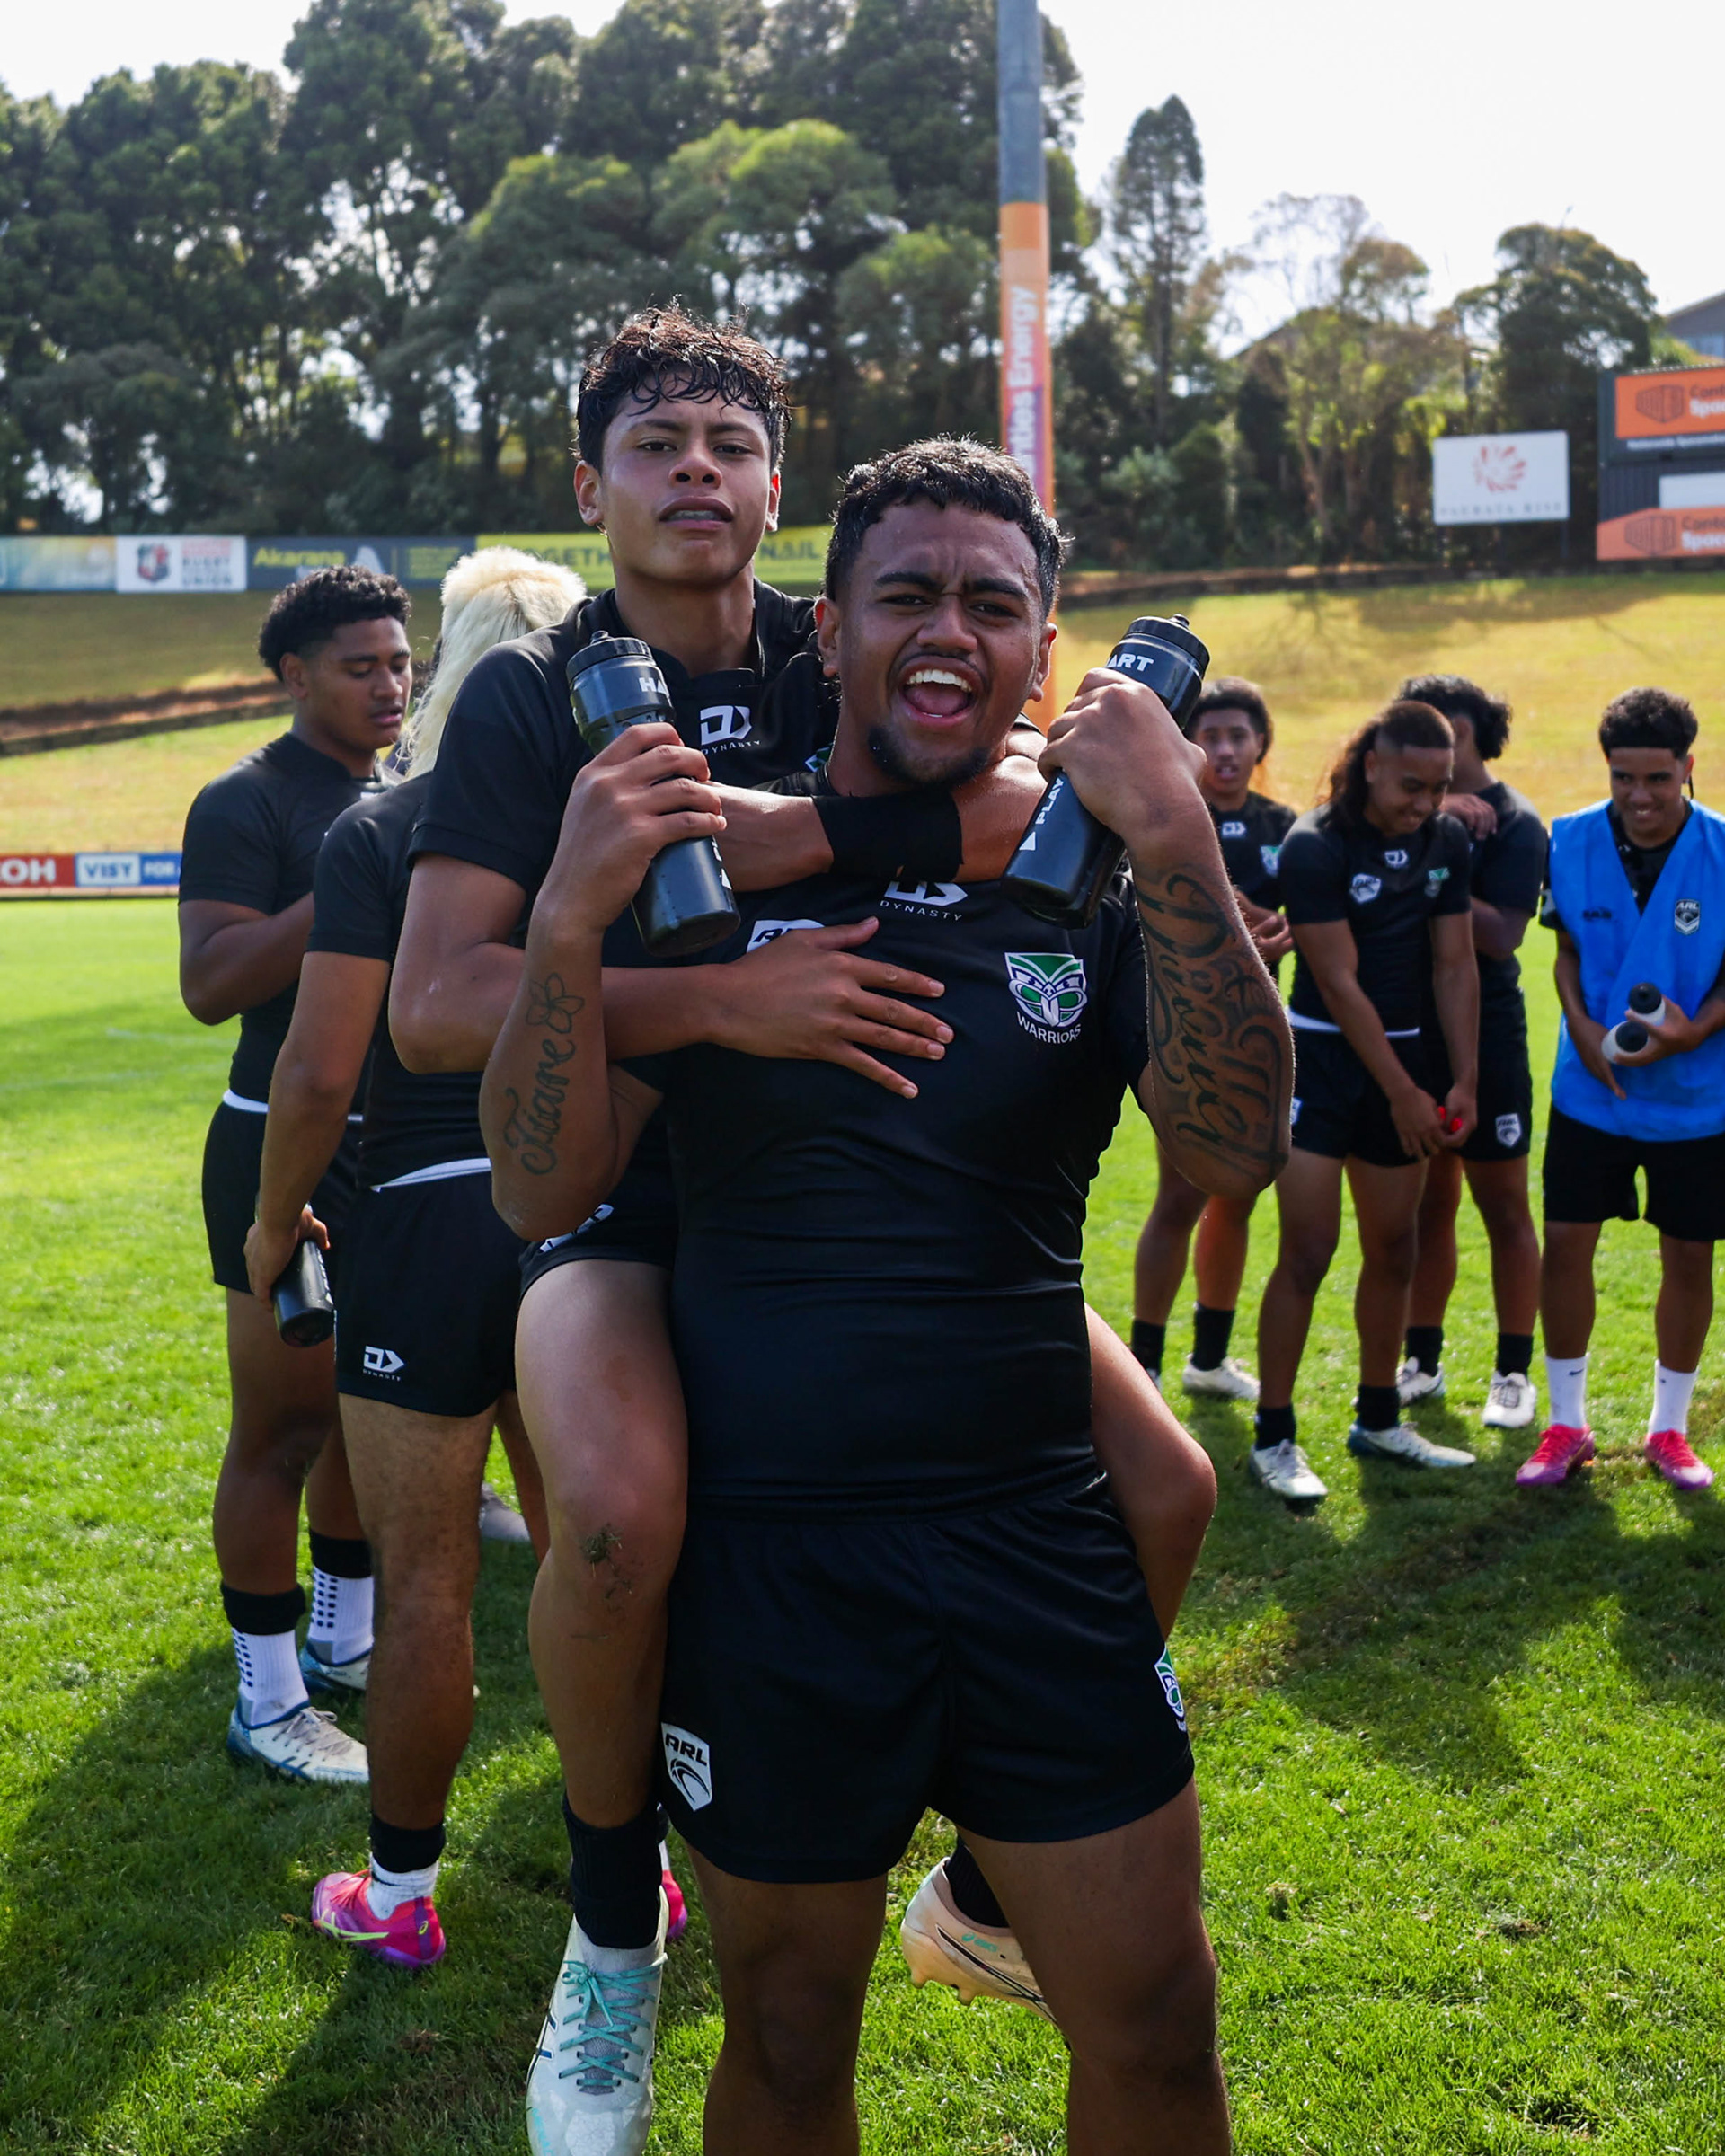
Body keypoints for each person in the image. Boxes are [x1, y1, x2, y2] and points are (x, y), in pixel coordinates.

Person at [394, 316, 1217, 2130]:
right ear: (590, 483)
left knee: (1167, 1484)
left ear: (781, 491)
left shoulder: (845, 629)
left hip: (844, 1164)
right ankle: (616, 1916)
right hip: (641, 1171)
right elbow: (441, 1005)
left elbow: (999, 803)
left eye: (731, 444)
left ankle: (989, 1882)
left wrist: (798, 835)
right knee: (617, 1517)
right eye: (654, 442)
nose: (696, 470)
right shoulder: (548, 688)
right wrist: (711, 993)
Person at [243, 549, 571, 1966]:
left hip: (427, 1219)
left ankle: (400, 1890)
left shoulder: (388, 825)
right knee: (598, 1565)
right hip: (591, 1218)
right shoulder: (629, 815)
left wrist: (273, 1226)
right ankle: (630, 1875)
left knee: (427, 1581)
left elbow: (319, 1073)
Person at [179, 565, 411, 1785]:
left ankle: (345, 1640)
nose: (389, 684)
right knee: (282, 1430)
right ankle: (266, 1705)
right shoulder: (246, 799)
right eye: (360, 666)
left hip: (398, 1144)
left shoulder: (405, 790)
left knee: (370, 1409)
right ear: (294, 675)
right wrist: (350, 888)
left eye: (400, 662)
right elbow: (211, 982)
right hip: (276, 1134)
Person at [1251, 700, 1482, 1507]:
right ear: (1372, 765)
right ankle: (1273, 1436)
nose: (1426, 803)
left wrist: (1462, 1080)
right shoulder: (1314, 844)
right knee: (1308, 1252)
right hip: (1320, 1063)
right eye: (1412, 786)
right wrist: (1404, 1093)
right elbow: (1339, 982)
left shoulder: (1445, 840)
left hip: (1408, 1061)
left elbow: (1455, 964)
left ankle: (1378, 1419)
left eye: (1440, 787)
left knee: (1393, 1250)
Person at [1518, 686, 1725, 1492]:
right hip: (1589, 1092)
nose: (1640, 797)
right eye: (1623, 778)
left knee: (1690, 1257)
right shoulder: (1568, 839)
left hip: (1697, 1099)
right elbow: (1566, 948)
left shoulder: (1722, 850)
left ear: (1688, 768)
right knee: (1567, 1246)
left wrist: (1695, 1031)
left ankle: (1669, 1430)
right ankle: (1566, 1425)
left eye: (1657, 779)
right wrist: (1577, 1023)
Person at [1131, 676, 1296, 1401]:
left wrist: (1283, 932)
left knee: (1238, 1196)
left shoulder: (1287, 827)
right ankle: (1145, 1362)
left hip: (1254, 1045)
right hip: (1185, 1037)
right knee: (1179, 1196)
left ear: (1261, 745)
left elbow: (1309, 918)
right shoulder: (1165, 817)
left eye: (1239, 736)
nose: (1225, 750)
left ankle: (1208, 1359)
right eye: (1211, 735)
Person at [1393, 675, 1547, 1430]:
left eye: (1449, 732)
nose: (1437, 749)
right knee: (1429, 1206)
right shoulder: (1394, 818)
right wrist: (1428, 824)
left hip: (1490, 1036)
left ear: (1479, 734)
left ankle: (1513, 1372)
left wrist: (1432, 848)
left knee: (1504, 1205)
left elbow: (1502, 936)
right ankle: (1421, 1361)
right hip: (1409, 1033)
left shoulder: (1517, 822)